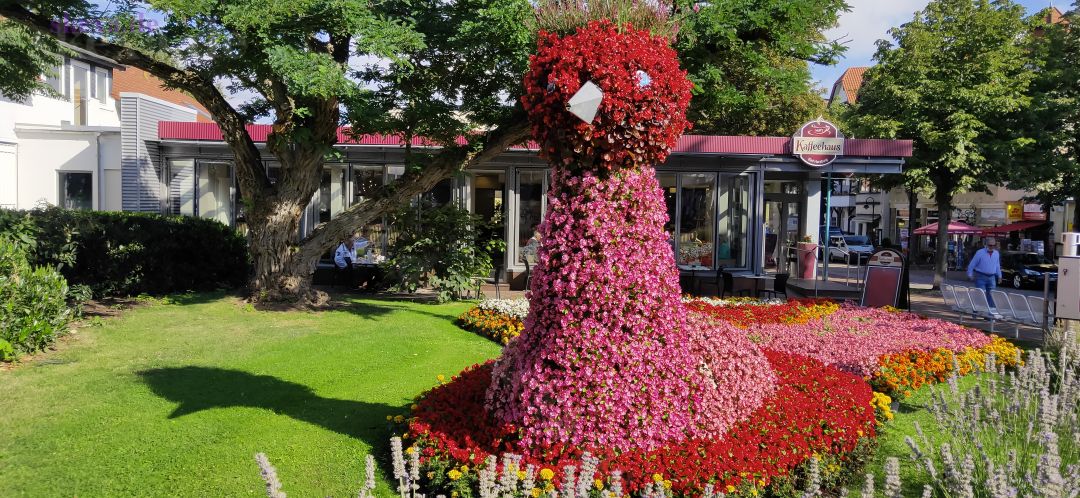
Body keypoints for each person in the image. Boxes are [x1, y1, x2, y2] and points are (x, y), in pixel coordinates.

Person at [967, 237, 1003, 314]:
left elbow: (997, 265)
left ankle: (990, 314)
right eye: (990, 245)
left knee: (992, 296)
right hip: (981, 276)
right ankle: (976, 311)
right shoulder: (980, 252)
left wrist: (999, 276)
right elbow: (972, 264)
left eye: (994, 245)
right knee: (981, 295)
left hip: (992, 277)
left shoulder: (996, 253)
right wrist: (970, 274)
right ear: (986, 244)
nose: (992, 247)